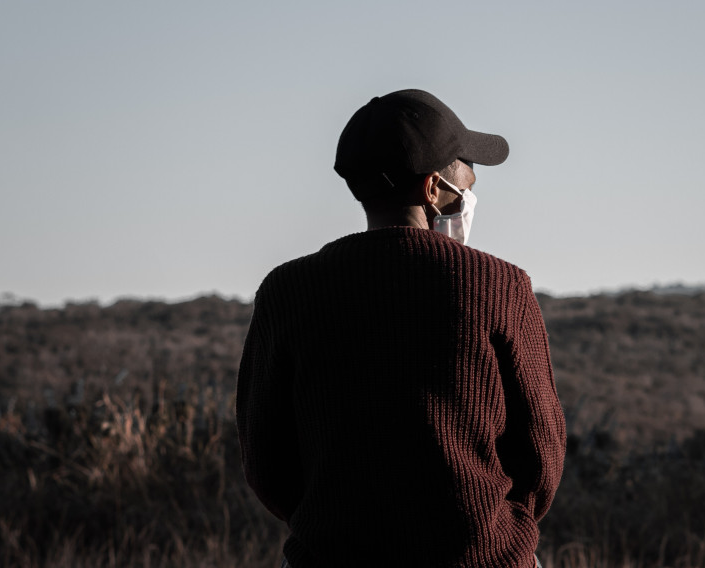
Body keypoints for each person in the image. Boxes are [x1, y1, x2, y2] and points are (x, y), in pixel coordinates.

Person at [236, 89, 566, 568]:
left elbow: (266, 461)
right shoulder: (501, 286)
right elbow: (541, 456)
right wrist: (495, 533)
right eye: (467, 183)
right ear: (433, 189)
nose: (470, 197)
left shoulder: (286, 291)